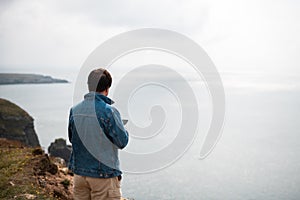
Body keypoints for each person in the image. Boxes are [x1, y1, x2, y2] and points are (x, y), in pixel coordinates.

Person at [68, 68, 129, 200]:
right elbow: (122, 142)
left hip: (80, 175)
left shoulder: (75, 110)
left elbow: (72, 138)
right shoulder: (109, 112)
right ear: (107, 88)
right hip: (103, 176)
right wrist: (123, 130)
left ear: (89, 86)